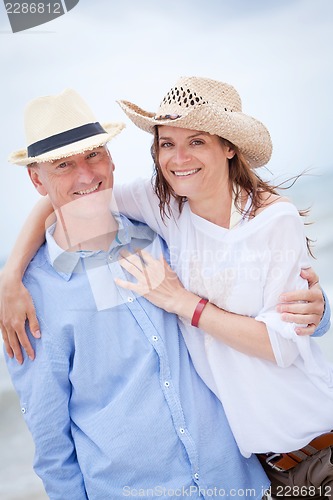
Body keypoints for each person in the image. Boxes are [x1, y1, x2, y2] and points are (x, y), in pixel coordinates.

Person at [0, 82, 331, 496]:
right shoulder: (33, 300)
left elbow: (260, 307)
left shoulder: (163, 230)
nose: (85, 174)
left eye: (92, 155)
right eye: (62, 165)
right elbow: (52, 446)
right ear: (36, 180)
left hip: (246, 481)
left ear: (110, 160)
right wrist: (10, 275)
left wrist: (318, 314)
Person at [113, 76, 333, 499]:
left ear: (228, 145)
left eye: (196, 142)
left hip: (321, 450)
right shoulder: (164, 208)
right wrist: (9, 280)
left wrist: (185, 304)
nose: (178, 158)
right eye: (165, 143)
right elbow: (75, 200)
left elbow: (280, 345)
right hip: (262, 473)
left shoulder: (273, 219)